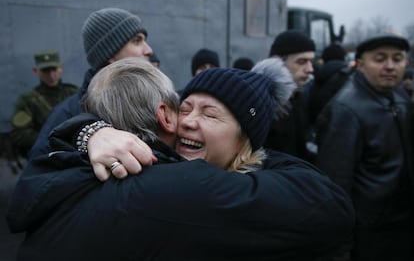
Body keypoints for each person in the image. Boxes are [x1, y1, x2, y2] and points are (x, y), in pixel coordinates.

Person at [7, 58, 354, 260]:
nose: (187, 121)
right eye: (183, 107)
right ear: (165, 114)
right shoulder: (184, 188)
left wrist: (87, 131)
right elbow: (331, 207)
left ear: (245, 137)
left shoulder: (66, 168)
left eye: (211, 114)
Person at [315, 33, 413, 261]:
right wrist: (340, 246)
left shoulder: (400, 96)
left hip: (402, 222)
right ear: (360, 65)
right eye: (380, 59)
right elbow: (335, 183)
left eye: (397, 59)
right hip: (370, 231)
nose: (390, 66)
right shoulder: (345, 110)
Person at [28, 7, 153, 159]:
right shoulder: (67, 115)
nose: (149, 50)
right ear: (110, 53)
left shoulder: (157, 102)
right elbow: (36, 176)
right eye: (137, 41)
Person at [10, 50, 78, 156]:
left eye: (54, 69)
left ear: (60, 67)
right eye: (45, 71)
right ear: (36, 71)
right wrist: (49, 140)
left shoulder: (73, 93)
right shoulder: (28, 100)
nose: (51, 75)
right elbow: (19, 134)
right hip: (45, 155)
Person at [267, 30, 315, 161]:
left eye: (311, 61)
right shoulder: (263, 103)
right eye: (302, 61)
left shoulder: (297, 97)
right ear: (277, 62)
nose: (310, 69)